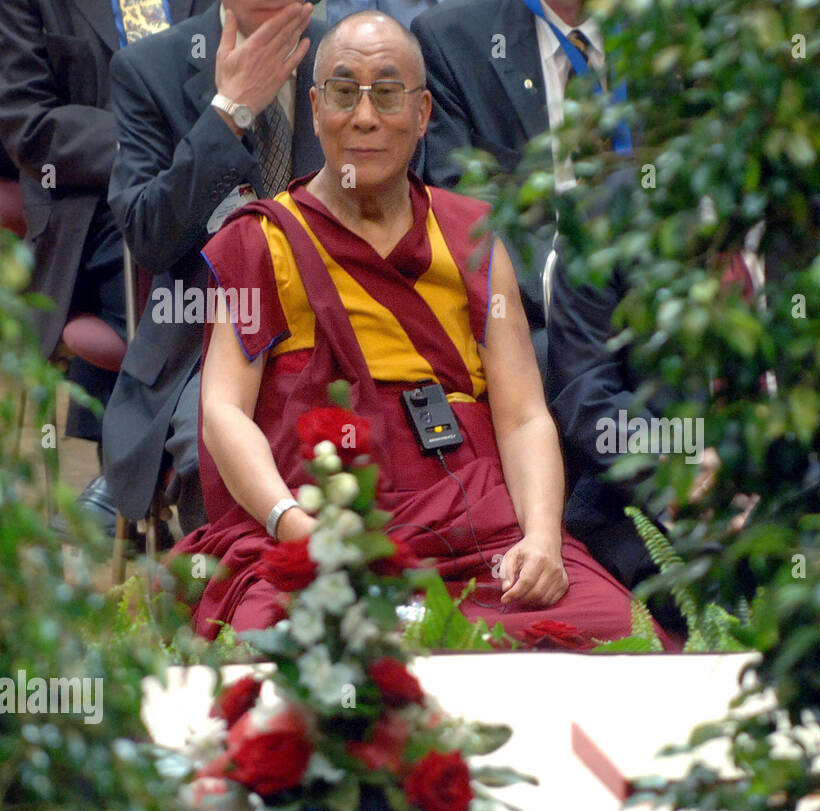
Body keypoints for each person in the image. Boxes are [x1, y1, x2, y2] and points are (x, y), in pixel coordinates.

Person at [174, 11, 673, 649]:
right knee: (275, 657)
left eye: (387, 94)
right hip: (324, 523)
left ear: (423, 112)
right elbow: (223, 410)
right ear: (315, 105)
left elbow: (522, 416)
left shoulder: (471, 236)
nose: (365, 117)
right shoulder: (260, 238)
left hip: (477, 532)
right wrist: (295, 525)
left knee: (621, 639)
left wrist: (542, 537)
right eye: (343, 92)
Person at [103, 1, 325, 536]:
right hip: (199, 338)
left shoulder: (348, 54)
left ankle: (362, 602)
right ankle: (232, 607)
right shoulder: (152, 67)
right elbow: (149, 237)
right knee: (216, 451)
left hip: (339, 322)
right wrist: (229, 113)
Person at [0, 0, 216, 533]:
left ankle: (134, 476)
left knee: (240, 252)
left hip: (204, 176)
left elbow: (229, 82)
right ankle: (154, 471)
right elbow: (27, 122)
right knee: (171, 256)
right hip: (85, 201)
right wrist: (146, 133)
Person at [412, 0, 620, 375]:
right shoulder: (453, 40)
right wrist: (574, 291)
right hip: (537, 311)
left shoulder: (668, 37)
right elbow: (463, 209)